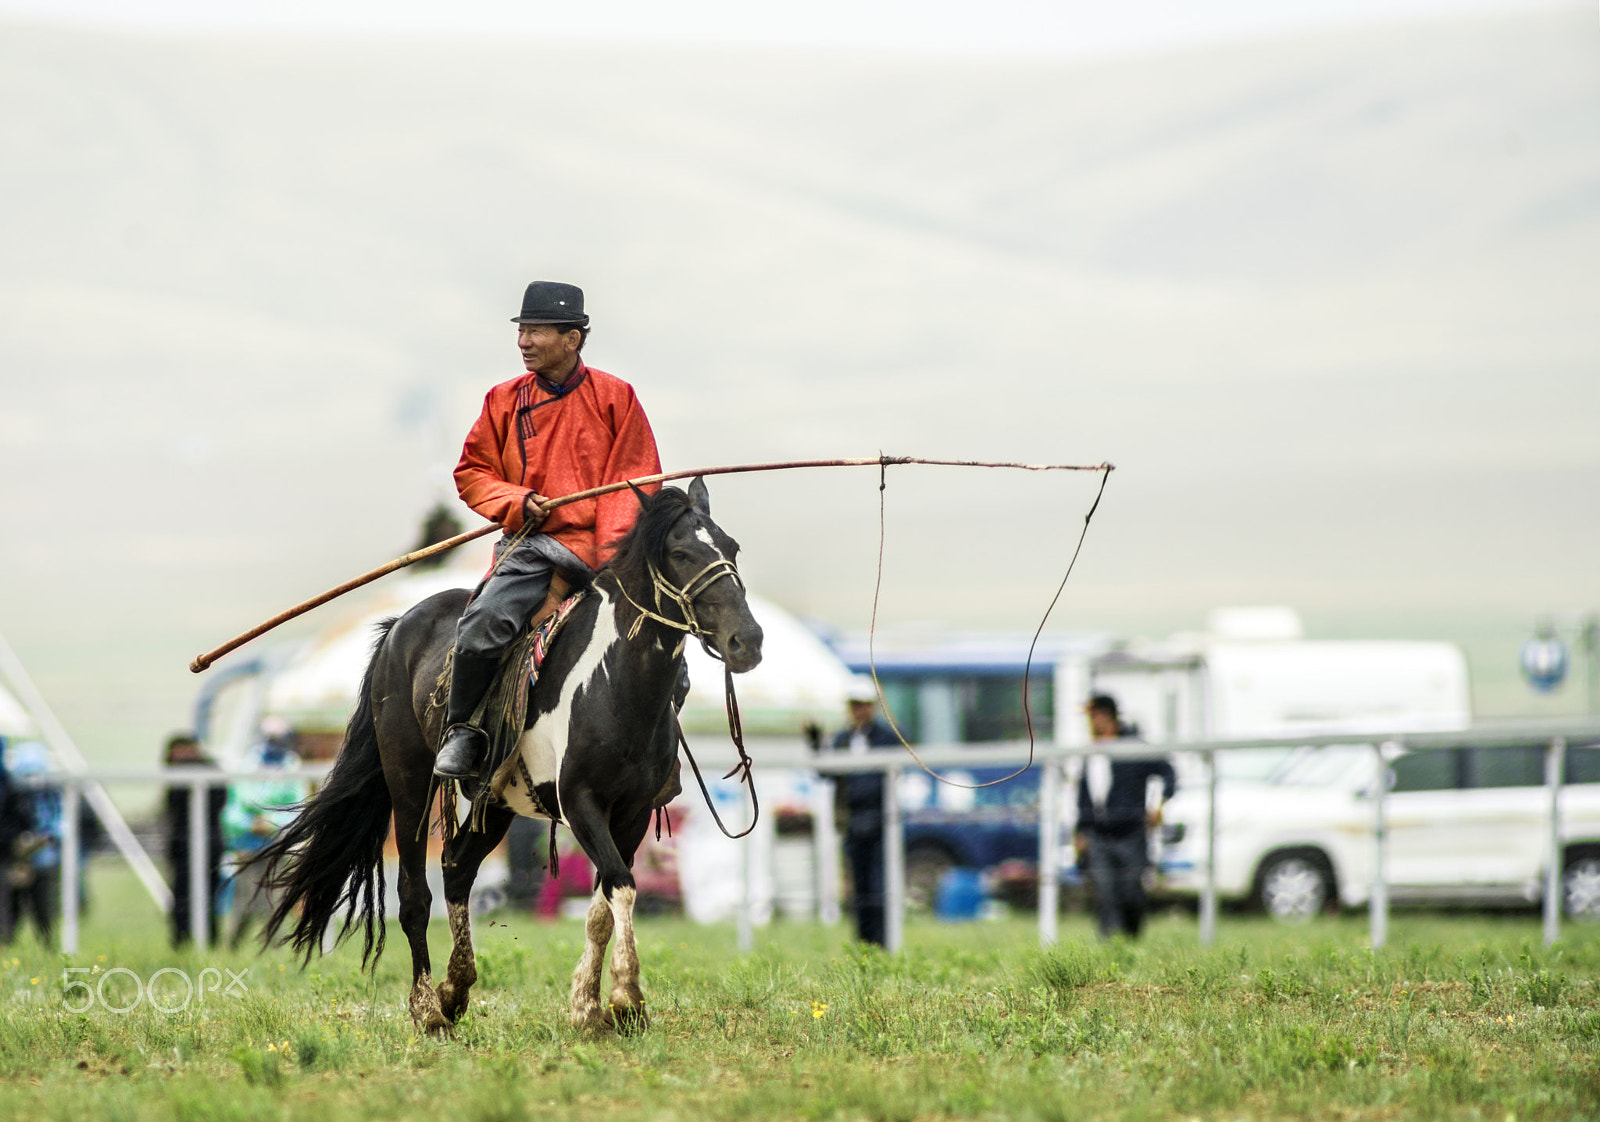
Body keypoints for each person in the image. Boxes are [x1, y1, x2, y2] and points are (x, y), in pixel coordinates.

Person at [434, 281, 663, 781]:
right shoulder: (502, 401)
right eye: (522, 330)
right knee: (482, 625)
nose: (524, 342)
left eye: (537, 331)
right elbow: (472, 473)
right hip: (534, 546)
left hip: (608, 552)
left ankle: (659, 755)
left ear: (573, 338)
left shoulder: (616, 398)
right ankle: (463, 729)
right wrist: (517, 501)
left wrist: (615, 560)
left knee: (666, 641)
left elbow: (636, 482)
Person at [1073, 694, 1176, 940]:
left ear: (1106, 716)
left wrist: (1159, 805)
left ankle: (1131, 939)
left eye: (1093, 715)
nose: (1090, 722)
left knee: (1131, 891)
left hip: (1131, 832)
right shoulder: (1090, 750)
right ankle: (1107, 947)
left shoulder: (1134, 747)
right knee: (1104, 891)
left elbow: (1167, 771)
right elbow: (1084, 795)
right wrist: (1080, 831)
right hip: (1097, 833)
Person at [222, 720, 307, 949]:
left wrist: (274, 823)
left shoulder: (292, 766)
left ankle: (274, 946)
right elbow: (233, 810)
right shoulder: (246, 766)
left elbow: (298, 807)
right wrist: (251, 824)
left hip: (278, 843)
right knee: (245, 900)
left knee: (275, 898)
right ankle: (232, 944)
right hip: (247, 844)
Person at [829, 678, 900, 946]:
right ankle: (864, 943)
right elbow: (826, 772)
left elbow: (905, 748)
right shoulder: (842, 738)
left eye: (864, 705)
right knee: (859, 888)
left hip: (881, 822)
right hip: (852, 821)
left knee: (881, 885)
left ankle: (885, 940)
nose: (859, 711)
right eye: (855, 705)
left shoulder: (887, 736)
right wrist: (814, 747)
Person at [163, 733, 226, 948]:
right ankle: (182, 940)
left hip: (208, 842)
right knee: (182, 896)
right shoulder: (173, 775)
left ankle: (208, 940)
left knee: (207, 895)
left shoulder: (209, 772)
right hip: (182, 844)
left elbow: (216, 804)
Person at [0, 741, 62, 946]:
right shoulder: (11, 788)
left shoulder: (50, 792)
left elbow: (59, 820)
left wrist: (48, 837)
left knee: (43, 909)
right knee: (10, 907)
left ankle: (47, 946)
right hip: (13, 857)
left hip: (42, 859)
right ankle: (8, 945)